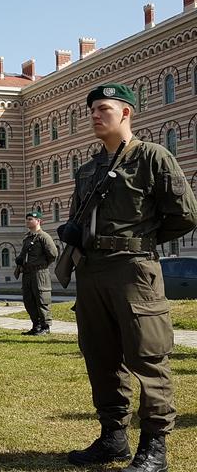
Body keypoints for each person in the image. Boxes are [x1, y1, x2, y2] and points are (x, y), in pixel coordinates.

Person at [62, 83, 197, 472]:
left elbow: (185, 214)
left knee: (147, 357)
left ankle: (154, 447)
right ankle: (113, 438)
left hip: (133, 271)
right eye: (91, 110)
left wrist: (143, 240)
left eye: (103, 108)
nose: (95, 115)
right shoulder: (88, 169)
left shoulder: (153, 157)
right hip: (92, 273)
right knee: (100, 357)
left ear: (126, 113)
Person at [15, 211, 58, 336]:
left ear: (39, 221)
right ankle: (36, 325)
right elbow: (24, 254)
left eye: (31, 219)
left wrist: (42, 264)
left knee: (42, 298)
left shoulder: (44, 237)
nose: (28, 221)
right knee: (29, 300)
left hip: (40, 272)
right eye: (27, 219)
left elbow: (53, 254)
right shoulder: (27, 238)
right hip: (27, 273)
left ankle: (45, 326)